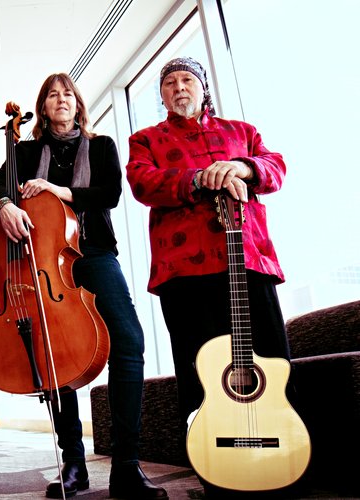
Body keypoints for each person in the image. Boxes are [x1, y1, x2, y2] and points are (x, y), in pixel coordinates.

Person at [0, 73, 168, 500]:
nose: (60, 99)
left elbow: (108, 194)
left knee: (128, 342)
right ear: (44, 107)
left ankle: (127, 465)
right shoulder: (26, 150)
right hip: (43, 262)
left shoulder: (102, 146)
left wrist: (57, 190)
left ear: (78, 104)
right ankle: (73, 464)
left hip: (95, 254)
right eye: (52, 94)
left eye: (67, 93)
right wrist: (5, 205)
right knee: (52, 351)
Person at [125, 57, 291, 493]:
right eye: (170, 83)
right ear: (161, 95)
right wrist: (200, 178)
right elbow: (144, 183)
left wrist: (242, 167)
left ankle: (283, 461)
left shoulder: (243, 131)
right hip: (183, 271)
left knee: (273, 364)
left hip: (250, 260)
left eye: (188, 80)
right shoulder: (145, 139)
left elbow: (275, 168)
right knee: (200, 374)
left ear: (202, 88)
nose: (180, 88)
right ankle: (216, 471)